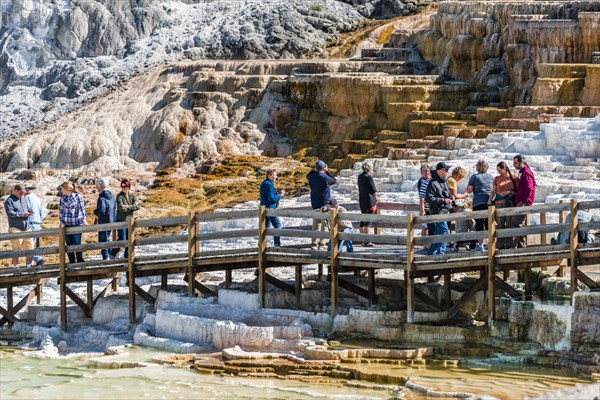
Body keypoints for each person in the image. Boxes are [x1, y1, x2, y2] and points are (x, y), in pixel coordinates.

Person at [487, 162, 518, 249]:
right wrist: (489, 200)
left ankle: (509, 244)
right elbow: (493, 191)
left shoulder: (514, 177)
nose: (499, 172)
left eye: (500, 170)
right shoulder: (497, 178)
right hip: (499, 204)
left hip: (510, 204)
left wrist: (509, 192)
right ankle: (500, 245)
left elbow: (518, 192)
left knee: (509, 223)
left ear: (505, 169)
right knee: (500, 224)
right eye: (498, 170)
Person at [307, 160, 337, 250]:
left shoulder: (311, 176)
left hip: (315, 203)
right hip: (324, 203)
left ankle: (314, 244)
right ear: (324, 167)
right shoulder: (324, 176)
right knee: (325, 224)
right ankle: (322, 244)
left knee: (316, 224)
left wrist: (314, 169)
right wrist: (327, 171)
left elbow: (308, 175)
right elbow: (333, 180)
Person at [464, 160, 493, 251]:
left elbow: (469, 190)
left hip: (478, 203)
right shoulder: (490, 177)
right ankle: (491, 244)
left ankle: (480, 246)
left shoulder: (474, 177)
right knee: (489, 224)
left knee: (479, 224)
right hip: (489, 202)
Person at [425, 162, 454, 255]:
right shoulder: (432, 183)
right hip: (437, 212)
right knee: (445, 232)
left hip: (444, 211)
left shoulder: (444, 181)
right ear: (440, 171)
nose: (447, 172)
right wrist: (443, 200)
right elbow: (429, 198)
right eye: (446, 170)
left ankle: (431, 254)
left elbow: (446, 193)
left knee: (438, 233)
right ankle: (440, 254)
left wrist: (451, 197)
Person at [508, 155, 536, 248]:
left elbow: (529, 188)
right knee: (519, 223)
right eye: (513, 163)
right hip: (521, 201)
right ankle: (521, 245)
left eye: (515, 163)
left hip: (523, 202)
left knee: (515, 222)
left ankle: (515, 246)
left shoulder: (526, 172)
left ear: (521, 162)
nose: (514, 165)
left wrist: (524, 201)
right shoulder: (522, 172)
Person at [4, 184, 34, 268]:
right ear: (15, 190)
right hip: (15, 228)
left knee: (30, 247)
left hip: (27, 227)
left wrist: (30, 212)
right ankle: (16, 267)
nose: (22, 195)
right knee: (16, 247)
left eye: (23, 193)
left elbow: (26, 209)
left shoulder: (24, 199)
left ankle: (29, 266)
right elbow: (10, 213)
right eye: (20, 193)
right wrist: (22, 214)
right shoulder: (9, 201)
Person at [111, 179, 140, 258]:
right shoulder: (119, 196)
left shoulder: (132, 196)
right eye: (122, 186)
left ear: (129, 186)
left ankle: (127, 255)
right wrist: (132, 206)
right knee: (122, 238)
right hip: (121, 220)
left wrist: (128, 206)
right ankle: (112, 253)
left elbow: (138, 206)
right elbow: (121, 209)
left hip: (130, 220)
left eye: (125, 186)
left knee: (129, 238)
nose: (124, 188)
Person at [59, 181, 87, 263]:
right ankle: (71, 262)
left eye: (62, 189)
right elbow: (61, 211)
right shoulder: (62, 198)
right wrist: (61, 221)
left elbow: (82, 209)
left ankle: (80, 261)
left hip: (76, 224)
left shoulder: (78, 196)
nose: (61, 190)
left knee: (77, 243)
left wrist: (84, 220)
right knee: (69, 244)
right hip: (67, 225)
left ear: (66, 189)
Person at [259, 168, 285, 247]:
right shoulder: (269, 184)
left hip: (264, 208)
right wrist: (280, 195)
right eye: (272, 175)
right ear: (268, 175)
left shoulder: (264, 183)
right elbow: (271, 199)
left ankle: (261, 246)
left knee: (265, 227)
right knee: (277, 224)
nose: (274, 177)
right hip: (269, 208)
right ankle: (277, 244)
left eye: (275, 175)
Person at [93, 177, 117, 260]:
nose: (96, 187)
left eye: (96, 185)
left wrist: (95, 211)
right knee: (107, 239)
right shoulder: (112, 196)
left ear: (100, 186)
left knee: (103, 240)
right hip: (111, 221)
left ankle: (105, 257)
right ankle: (110, 256)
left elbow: (102, 211)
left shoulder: (102, 197)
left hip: (103, 222)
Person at [357, 162, 377, 247]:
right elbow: (373, 190)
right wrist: (376, 198)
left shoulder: (360, 177)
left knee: (363, 220)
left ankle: (363, 240)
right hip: (369, 201)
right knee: (368, 221)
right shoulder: (369, 177)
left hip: (362, 200)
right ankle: (368, 241)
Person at [25, 186, 45, 266]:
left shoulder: (26, 198)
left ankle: (37, 259)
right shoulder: (37, 198)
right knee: (33, 245)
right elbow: (41, 214)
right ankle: (32, 264)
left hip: (30, 223)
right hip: (37, 224)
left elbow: (28, 211)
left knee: (28, 245)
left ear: (26, 190)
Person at [416, 164, 432, 250]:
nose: (426, 173)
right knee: (425, 226)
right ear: (421, 173)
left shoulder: (431, 180)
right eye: (424, 171)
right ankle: (424, 245)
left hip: (431, 207)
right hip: (425, 207)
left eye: (428, 171)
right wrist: (422, 209)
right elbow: (421, 196)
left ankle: (427, 244)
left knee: (429, 226)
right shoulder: (421, 182)